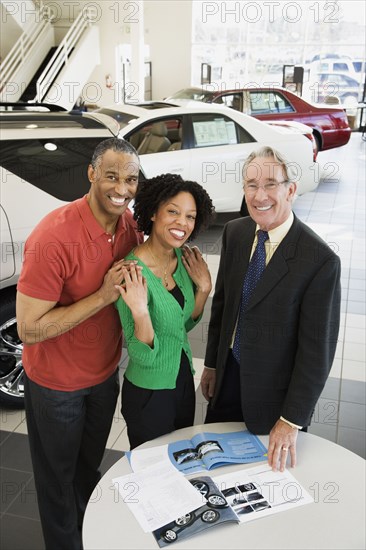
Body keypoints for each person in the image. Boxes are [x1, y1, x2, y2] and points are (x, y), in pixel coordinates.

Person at [16, 137, 143, 550]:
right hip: (56, 387)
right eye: (111, 176)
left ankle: (88, 537)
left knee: (89, 472)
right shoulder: (54, 237)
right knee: (57, 481)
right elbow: (28, 329)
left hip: (104, 377)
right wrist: (103, 296)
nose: (121, 188)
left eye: (130, 179)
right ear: (91, 174)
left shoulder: (128, 226)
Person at [201, 146, 341, 473]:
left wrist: (291, 419)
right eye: (251, 185)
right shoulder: (236, 233)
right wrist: (211, 364)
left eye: (270, 184)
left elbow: (316, 352)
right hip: (227, 379)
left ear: (291, 190)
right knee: (216, 468)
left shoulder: (318, 260)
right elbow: (223, 306)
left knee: (263, 483)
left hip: (274, 397)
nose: (259, 195)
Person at [115, 173, 214, 449]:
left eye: (190, 216)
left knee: (183, 460)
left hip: (183, 381)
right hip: (150, 392)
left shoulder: (182, 259)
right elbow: (140, 355)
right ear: (154, 213)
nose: (182, 223)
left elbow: (182, 326)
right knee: (154, 473)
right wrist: (140, 313)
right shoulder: (131, 272)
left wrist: (203, 289)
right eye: (173, 212)